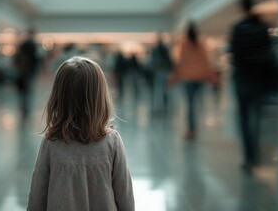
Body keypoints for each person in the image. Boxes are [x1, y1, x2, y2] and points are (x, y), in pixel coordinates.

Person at [27, 57, 134, 211]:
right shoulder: (112, 141)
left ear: (58, 99)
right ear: (99, 98)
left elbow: (38, 195)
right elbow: (124, 194)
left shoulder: (51, 142)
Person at [228, 0, 278, 172]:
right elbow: (269, 52)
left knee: (243, 118)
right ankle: (255, 154)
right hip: (259, 79)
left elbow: (234, 53)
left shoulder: (238, 28)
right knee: (256, 117)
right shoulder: (262, 27)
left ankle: (248, 156)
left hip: (243, 79)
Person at [169, 22, 216, 140]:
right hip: (200, 78)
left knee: (190, 105)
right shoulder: (201, 44)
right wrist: (210, 76)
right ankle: (196, 125)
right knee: (198, 102)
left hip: (188, 78)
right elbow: (206, 61)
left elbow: (180, 62)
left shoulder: (184, 45)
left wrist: (174, 77)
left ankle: (191, 129)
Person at [14, 29, 39, 118]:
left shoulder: (25, 46)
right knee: (26, 91)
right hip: (26, 72)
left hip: (24, 72)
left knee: (24, 91)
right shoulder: (30, 45)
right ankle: (25, 109)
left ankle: (24, 109)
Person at [150, 34, 173, 111]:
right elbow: (169, 61)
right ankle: (164, 106)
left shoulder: (155, 50)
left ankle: (158, 107)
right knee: (164, 90)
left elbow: (153, 62)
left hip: (158, 72)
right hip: (164, 71)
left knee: (158, 90)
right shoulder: (165, 49)